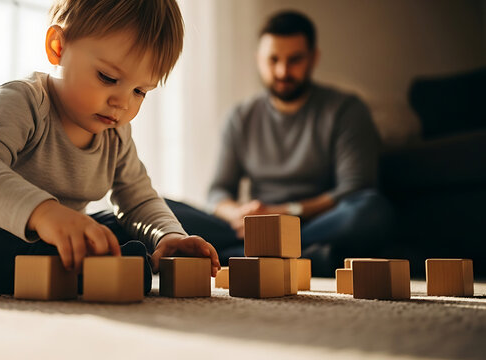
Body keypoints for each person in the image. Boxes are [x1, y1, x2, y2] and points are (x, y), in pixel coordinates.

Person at [0, 0, 220, 294]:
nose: (122, 103)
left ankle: (89, 268)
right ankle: (88, 271)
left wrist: (168, 235)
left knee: (117, 226)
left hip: (60, 244)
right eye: (108, 77)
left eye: (140, 90)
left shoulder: (117, 135)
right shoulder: (24, 101)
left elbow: (138, 200)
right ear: (58, 47)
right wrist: (44, 214)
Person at [166, 10, 393, 276]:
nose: (283, 71)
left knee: (371, 210)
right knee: (161, 209)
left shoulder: (346, 110)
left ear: (313, 58)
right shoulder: (241, 117)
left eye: (294, 60)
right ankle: (305, 258)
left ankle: (239, 257)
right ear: (258, 60)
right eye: (273, 60)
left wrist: (283, 214)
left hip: (310, 224)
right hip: (251, 229)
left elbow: (354, 188)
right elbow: (217, 193)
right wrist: (240, 215)